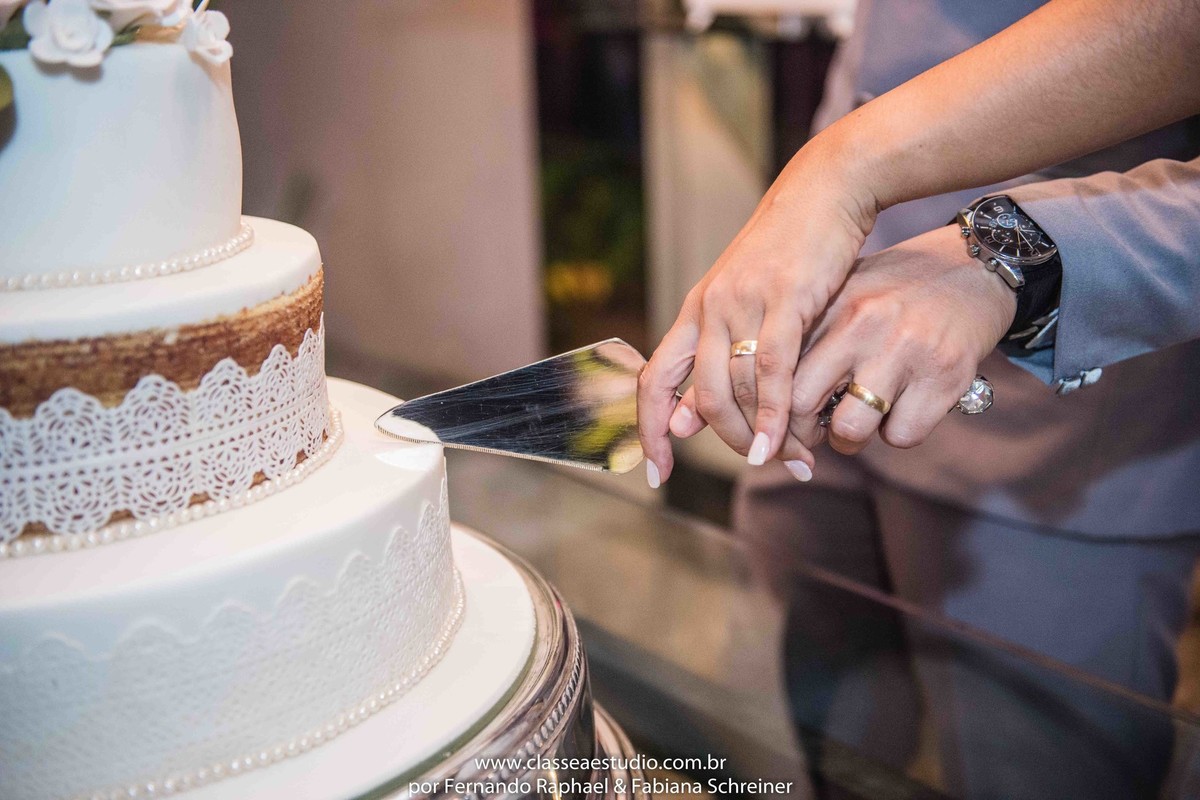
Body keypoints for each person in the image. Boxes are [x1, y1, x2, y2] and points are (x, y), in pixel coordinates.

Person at [636, 0, 1200, 795]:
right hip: (814, 384)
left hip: (1056, 452)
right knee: (791, 746)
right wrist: (801, 219)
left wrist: (1014, 250)